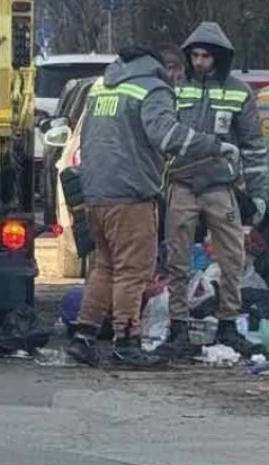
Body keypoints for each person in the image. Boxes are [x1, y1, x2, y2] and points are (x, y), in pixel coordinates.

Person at [68, 42, 231, 369]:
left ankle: (83, 337)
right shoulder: (152, 89)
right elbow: (168, 136)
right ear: (168, 68)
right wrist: (215, 146)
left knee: (105, 267)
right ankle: (126, 343)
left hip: (96, 194)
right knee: (132, 271)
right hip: (130, 195)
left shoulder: (102, 87)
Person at [160, 22, 267, 358]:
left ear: (218, 58)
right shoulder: (176, 89)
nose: (199, 62)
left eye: (206, 56)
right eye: (194, 55)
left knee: (232, 258)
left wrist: (259, 194)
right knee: (177, 258)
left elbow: (253, 145)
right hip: (183, 183)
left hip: (222, 186)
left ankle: (228, 324)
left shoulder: (238, 92)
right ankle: (177, 325)